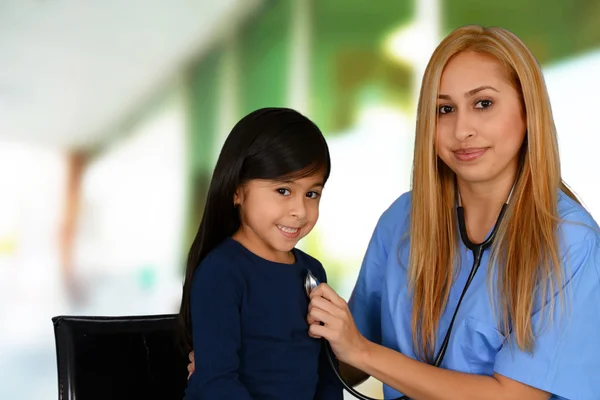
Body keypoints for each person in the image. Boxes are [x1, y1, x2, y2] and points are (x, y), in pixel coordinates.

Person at [187, 25, 600, 399]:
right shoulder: (403, 221)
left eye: (484, 104)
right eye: (444, 109)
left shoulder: (570, 241)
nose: (462, 131)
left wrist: (363, 352)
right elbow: (341, 354)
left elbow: (516, 397)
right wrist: (236, 359)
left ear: (529, 112)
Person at [178, 107, 342, 400]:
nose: (300, 211)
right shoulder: (222, 272)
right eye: (283, 190)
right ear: (237, 191)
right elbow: (217, 384)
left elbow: (327, 378)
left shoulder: (312, 273)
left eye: (312, 193)